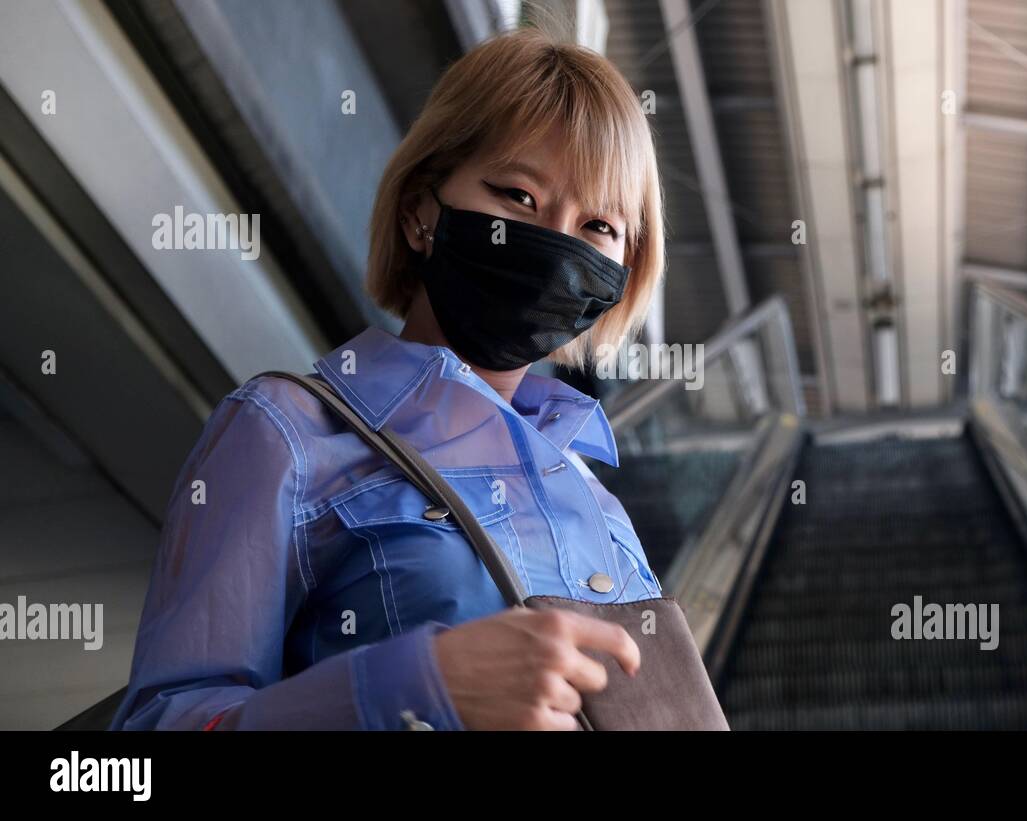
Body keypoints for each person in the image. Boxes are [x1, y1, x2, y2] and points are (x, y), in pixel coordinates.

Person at [111, 25, 667, 731]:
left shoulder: (600, 504)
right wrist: (416, 687)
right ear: (418, 213)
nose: (554, 242)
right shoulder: (285, 432)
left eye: (598, 227)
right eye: (518, 197)